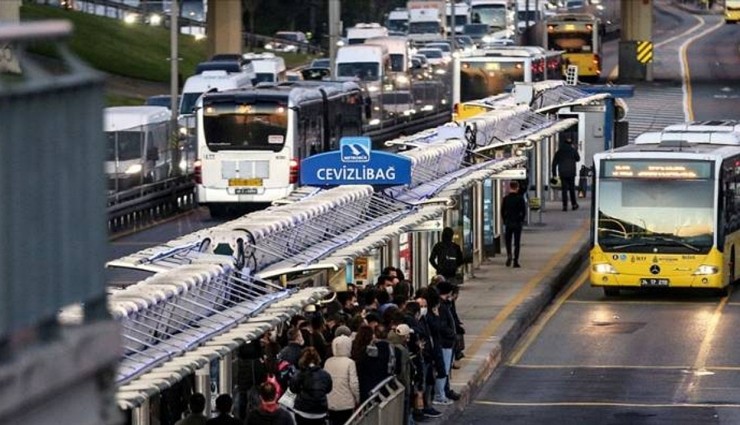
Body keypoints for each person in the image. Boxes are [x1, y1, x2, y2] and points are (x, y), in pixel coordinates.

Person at [290, 347, 333, 425]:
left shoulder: (299, 374)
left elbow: (293, 389)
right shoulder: (325, 375)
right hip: (320, 411)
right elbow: (328, 389)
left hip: (302, 410)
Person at [324, 335, 360, 425]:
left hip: (330, 402)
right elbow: (353, 383)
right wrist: (357, 398)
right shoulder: (350, 363)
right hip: (346, 403)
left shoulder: (328, 362)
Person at [501, 180, 526, 268]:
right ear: (517, 188)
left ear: (510, 187)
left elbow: (502, 211)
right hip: (517, 223)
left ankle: (509, 255)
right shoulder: (520, 198)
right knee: (517, 242)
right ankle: (516, 261)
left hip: (508, 222)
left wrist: (505, 220)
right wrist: (521, 220)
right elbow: (523, 211)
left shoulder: (506, 199)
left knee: (508, 241)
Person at [552, 137, 581, 211]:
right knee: (572, 189)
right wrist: (575, 149)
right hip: (571, 172)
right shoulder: (573, 150)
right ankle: (574, 204)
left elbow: (554, 163)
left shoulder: (559, 151)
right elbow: (578, 159)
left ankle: (565, 206)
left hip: (562, 172)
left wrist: (554, 174)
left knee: (564, 190)